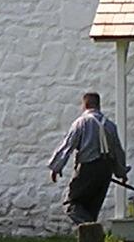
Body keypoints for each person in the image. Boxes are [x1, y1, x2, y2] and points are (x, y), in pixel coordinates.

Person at [49, 91, 128, 225]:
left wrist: (56, 167)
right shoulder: (110, 125)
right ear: (98, 105)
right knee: (91, 209)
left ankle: (94, 231)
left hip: (87, 168)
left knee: (71, 204)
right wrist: (121, 172)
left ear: (85, 105)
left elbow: (68, 145)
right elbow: (117, 151)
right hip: (105, 171)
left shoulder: (81, 123)